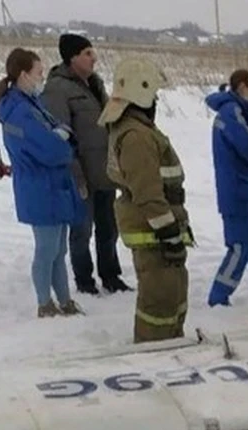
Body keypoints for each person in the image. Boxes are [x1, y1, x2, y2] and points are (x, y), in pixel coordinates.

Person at [99, 58, 194, 343]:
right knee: (159, 303)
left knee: (171, 297)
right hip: (154, 233)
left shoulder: (136, 129)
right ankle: (153, 355)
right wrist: (168, 234)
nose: (155, 101)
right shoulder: (136, 137)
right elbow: (148, 193)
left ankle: (170, 344)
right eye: (153, 94)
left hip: (158, 230)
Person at [0, 47, 84, 318]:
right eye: (39, 73)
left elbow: (63, 130)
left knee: (59, 249)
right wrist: (62, 141)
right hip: (39, 187)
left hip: (53, 186)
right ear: (24, 75)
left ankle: (65, 301)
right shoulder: (18, 111)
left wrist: (62, 136)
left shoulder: (32, 104)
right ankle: (45, 304)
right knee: (46, 249)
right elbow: (51, 149)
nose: (42, 78)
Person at [42, 33, 131, 295]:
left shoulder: (96, 83)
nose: (94, 58)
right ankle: (84, 280)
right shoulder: (57, 89)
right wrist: (76, 174)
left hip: (104, 170)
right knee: (81, 231)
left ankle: (111, 275)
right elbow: (61, 136)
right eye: (88, 53)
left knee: (108, 229)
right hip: (80, 174)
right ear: (72, 58)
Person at [205, 70, 248, 307]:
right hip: (235, 190)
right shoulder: (231, 113)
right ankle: (219, 296)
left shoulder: (237, 111)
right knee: (239, 247)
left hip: (242, 188)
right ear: (243, 86)